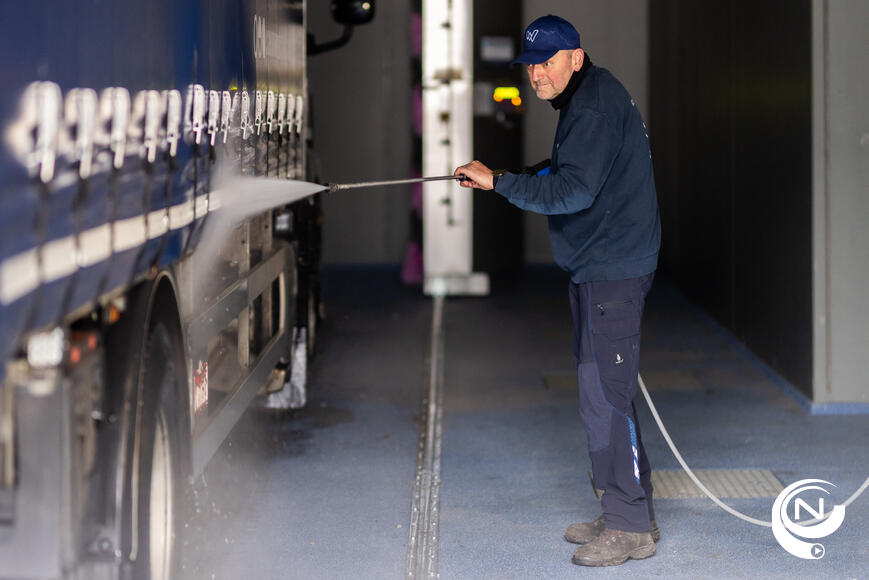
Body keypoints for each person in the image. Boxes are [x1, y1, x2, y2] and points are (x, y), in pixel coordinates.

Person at [454, 14, 662, 567]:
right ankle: (627, 507)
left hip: (611, 268)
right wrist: (506, 176)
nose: (537, 75)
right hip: (601, 264)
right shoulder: (587, 96)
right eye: (530, 66)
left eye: (548, 62)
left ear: (576, 55)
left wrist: (500, 183)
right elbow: (565, 171)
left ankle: (628, 526)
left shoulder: (590, 106)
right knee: (608, 390)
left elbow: (573, 191)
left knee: (605, 396)